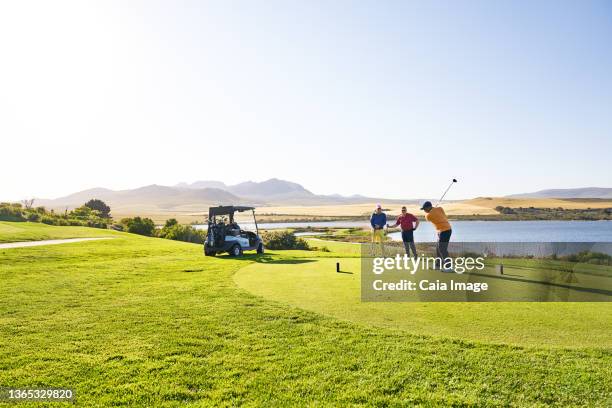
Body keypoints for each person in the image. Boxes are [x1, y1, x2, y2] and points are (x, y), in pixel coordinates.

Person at [420, 201, 452, 271]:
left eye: (425, 209)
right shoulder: (440, 208)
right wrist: (434, 209)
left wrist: (432, 210)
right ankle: (438, 265)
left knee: (442, 249)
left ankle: (449, 267)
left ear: (428, 207)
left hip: (445, 231)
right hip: (444, 230)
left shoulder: (429, 216)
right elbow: (440, 212)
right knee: (438, 249)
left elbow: (426, 217)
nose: (424, 210)